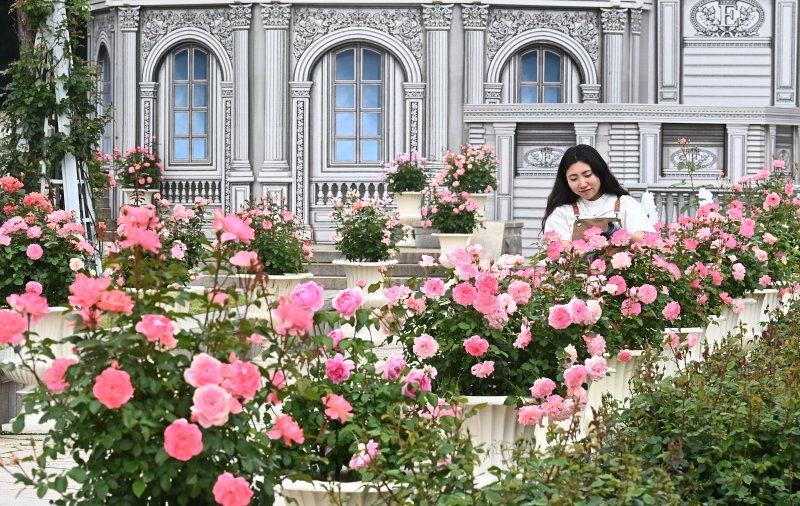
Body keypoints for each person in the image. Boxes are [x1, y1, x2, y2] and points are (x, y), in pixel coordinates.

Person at [542, 144, 655, 245]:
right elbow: (560, 253)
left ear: (600, 172)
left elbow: (645, 241)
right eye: (573, 178)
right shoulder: (562, 212)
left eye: (587, 175)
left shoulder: (625, 204)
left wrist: (620, 240)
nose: (582, 184)